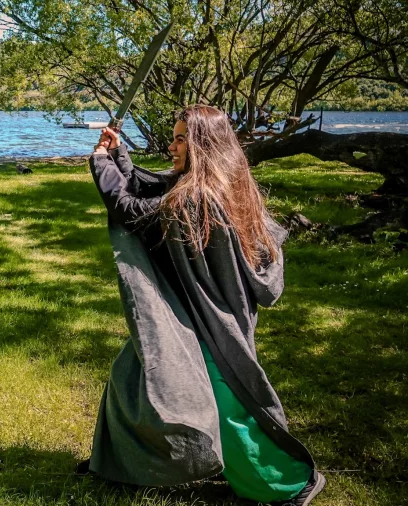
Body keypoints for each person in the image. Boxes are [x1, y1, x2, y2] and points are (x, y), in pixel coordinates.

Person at [77, 104, 325, 506]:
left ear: (202, 145)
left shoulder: (199, 196)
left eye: (180, 139)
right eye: (174, 137)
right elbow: (158, 186)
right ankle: (119, 465)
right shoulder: (219, 181)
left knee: (228, 408)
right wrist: (119, 157)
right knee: (129, 373)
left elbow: (133, 211)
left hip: (207, 321)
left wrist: (101, 162)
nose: (172, 146)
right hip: (197, 309)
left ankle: (286, 485)